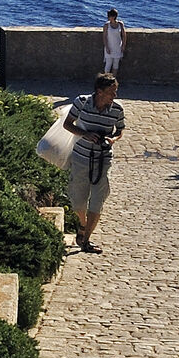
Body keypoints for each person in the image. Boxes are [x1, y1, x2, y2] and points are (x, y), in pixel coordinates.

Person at [61, 73, 127, 253]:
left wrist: (113, 139)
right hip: (81, 157)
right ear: (99, 91)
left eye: (116, 91)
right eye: (111, 92)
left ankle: (86, 240)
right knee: (78, 201)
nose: (115, 96)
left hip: (103, 159)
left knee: (97, 200)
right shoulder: (82, 103)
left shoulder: (117, 110)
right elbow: (67, 124)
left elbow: (119, 130)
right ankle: (82, 225)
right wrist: (85, 134)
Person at [101, 8, 126, 77]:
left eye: (110, 16)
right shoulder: (106, 25)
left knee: (116, 64)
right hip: (109, 47)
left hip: (118, 47)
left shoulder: (120, 24)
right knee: (108, 64)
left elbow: (124, 36)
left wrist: (123, 46)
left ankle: (113, 80)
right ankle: (105, 80)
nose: (109, 18)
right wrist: (107, 47)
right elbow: (105, 37)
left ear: (114, 17)